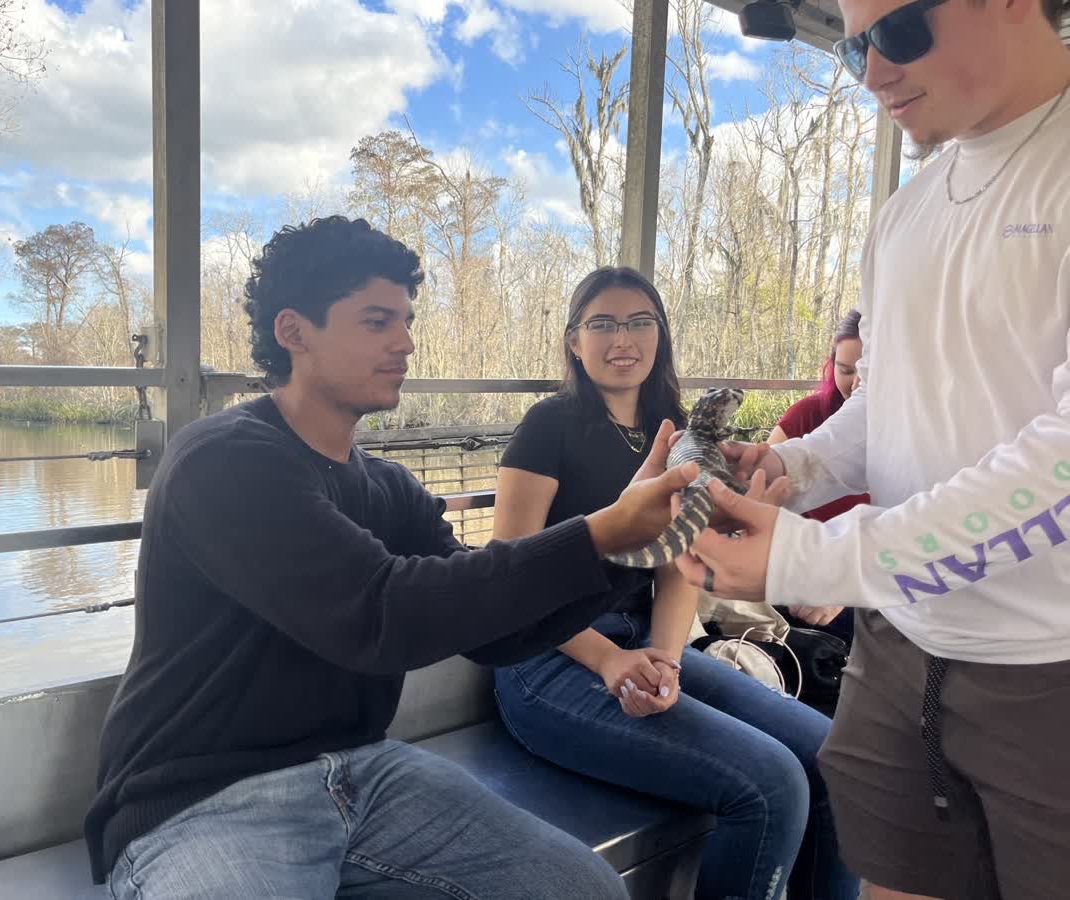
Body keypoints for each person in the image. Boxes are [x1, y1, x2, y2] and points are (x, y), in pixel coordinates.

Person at [83, 216, 705, 898]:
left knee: (588, 890)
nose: (405, 343)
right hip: (201, 799)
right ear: (295, 331)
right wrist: (598, 533)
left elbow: (498, 630)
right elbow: (381, 613)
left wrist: (632, 545)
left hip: (363, 773)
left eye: (406, 321)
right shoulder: (222, 460)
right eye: (377, 321)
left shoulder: (389, 488)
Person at [672, 5, 1070, 899]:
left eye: (896, 31)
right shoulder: (903, 213)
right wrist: (797, 472)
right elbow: (887, 398)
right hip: (893, 655)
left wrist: (816, 555)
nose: (869, 70)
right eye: (852, 43)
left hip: (1049, 668)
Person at [490, 266, 859, 900]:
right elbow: (507, 576)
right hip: (548, 655)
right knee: (771, 785)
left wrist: (666, 658)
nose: (621, 338)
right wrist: (610, 660)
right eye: (601, 323)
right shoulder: (549, 425)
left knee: (834, 758)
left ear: (660, 335)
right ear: (574, 340)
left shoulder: (679, 426)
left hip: (648, 640)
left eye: (640, 321)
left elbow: (677, 562)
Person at [767, 309, 870, 637]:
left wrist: (846, 584)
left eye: (867, 373)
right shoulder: (805, 415)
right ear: (831, 365)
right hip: (801, 565)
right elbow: (764, 499)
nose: (855, 384)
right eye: (846, 370)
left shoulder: (907, 435)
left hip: (865, 571)